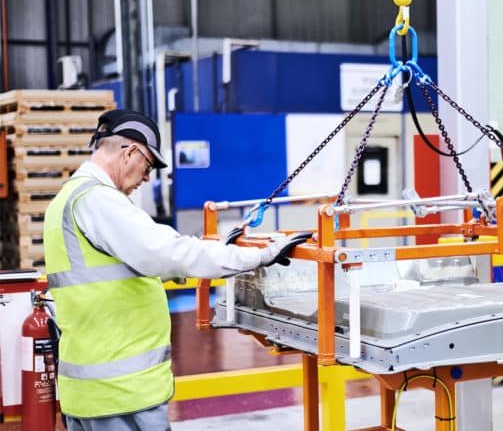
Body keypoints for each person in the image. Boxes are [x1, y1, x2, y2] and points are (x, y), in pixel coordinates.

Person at [42, 109, 310, 430]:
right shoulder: (97, 200)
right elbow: (170, 253)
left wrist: (215, 249)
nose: (146, 178)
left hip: (89, 392)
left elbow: (122, 266)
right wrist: (259, 256)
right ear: (131, 151)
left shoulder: (66, 200)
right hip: (122, 395)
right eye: (149, 165)